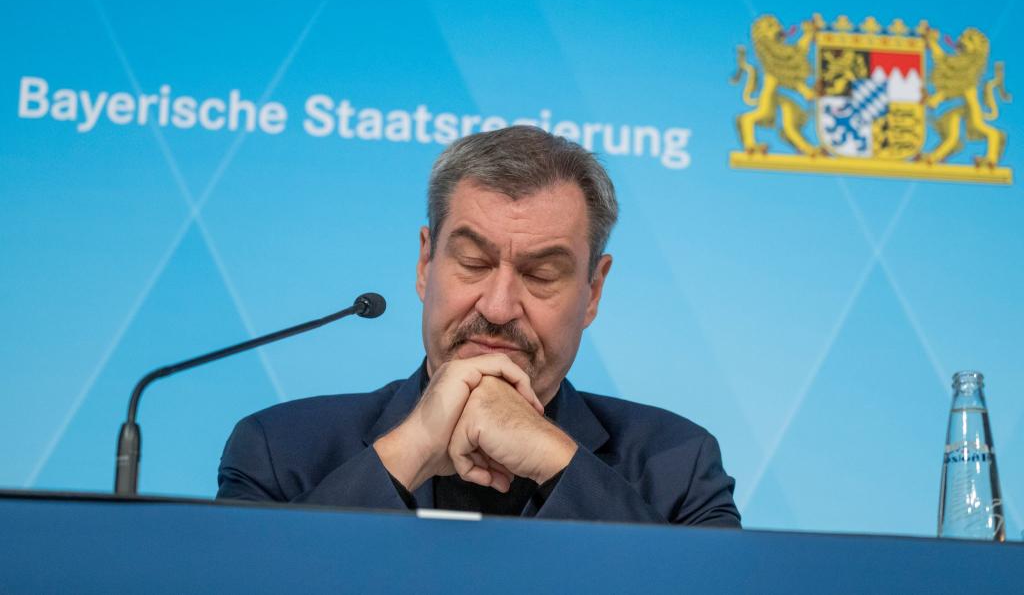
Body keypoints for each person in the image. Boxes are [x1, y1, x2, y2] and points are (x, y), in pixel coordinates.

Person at [217, 126, 741, 526]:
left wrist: (556, 458)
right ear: (426, 264)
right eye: (472, 263)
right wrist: (409, 450)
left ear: (593, 292)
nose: (496, 306)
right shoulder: (279, 452)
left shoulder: (678, 466)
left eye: (540, 274)